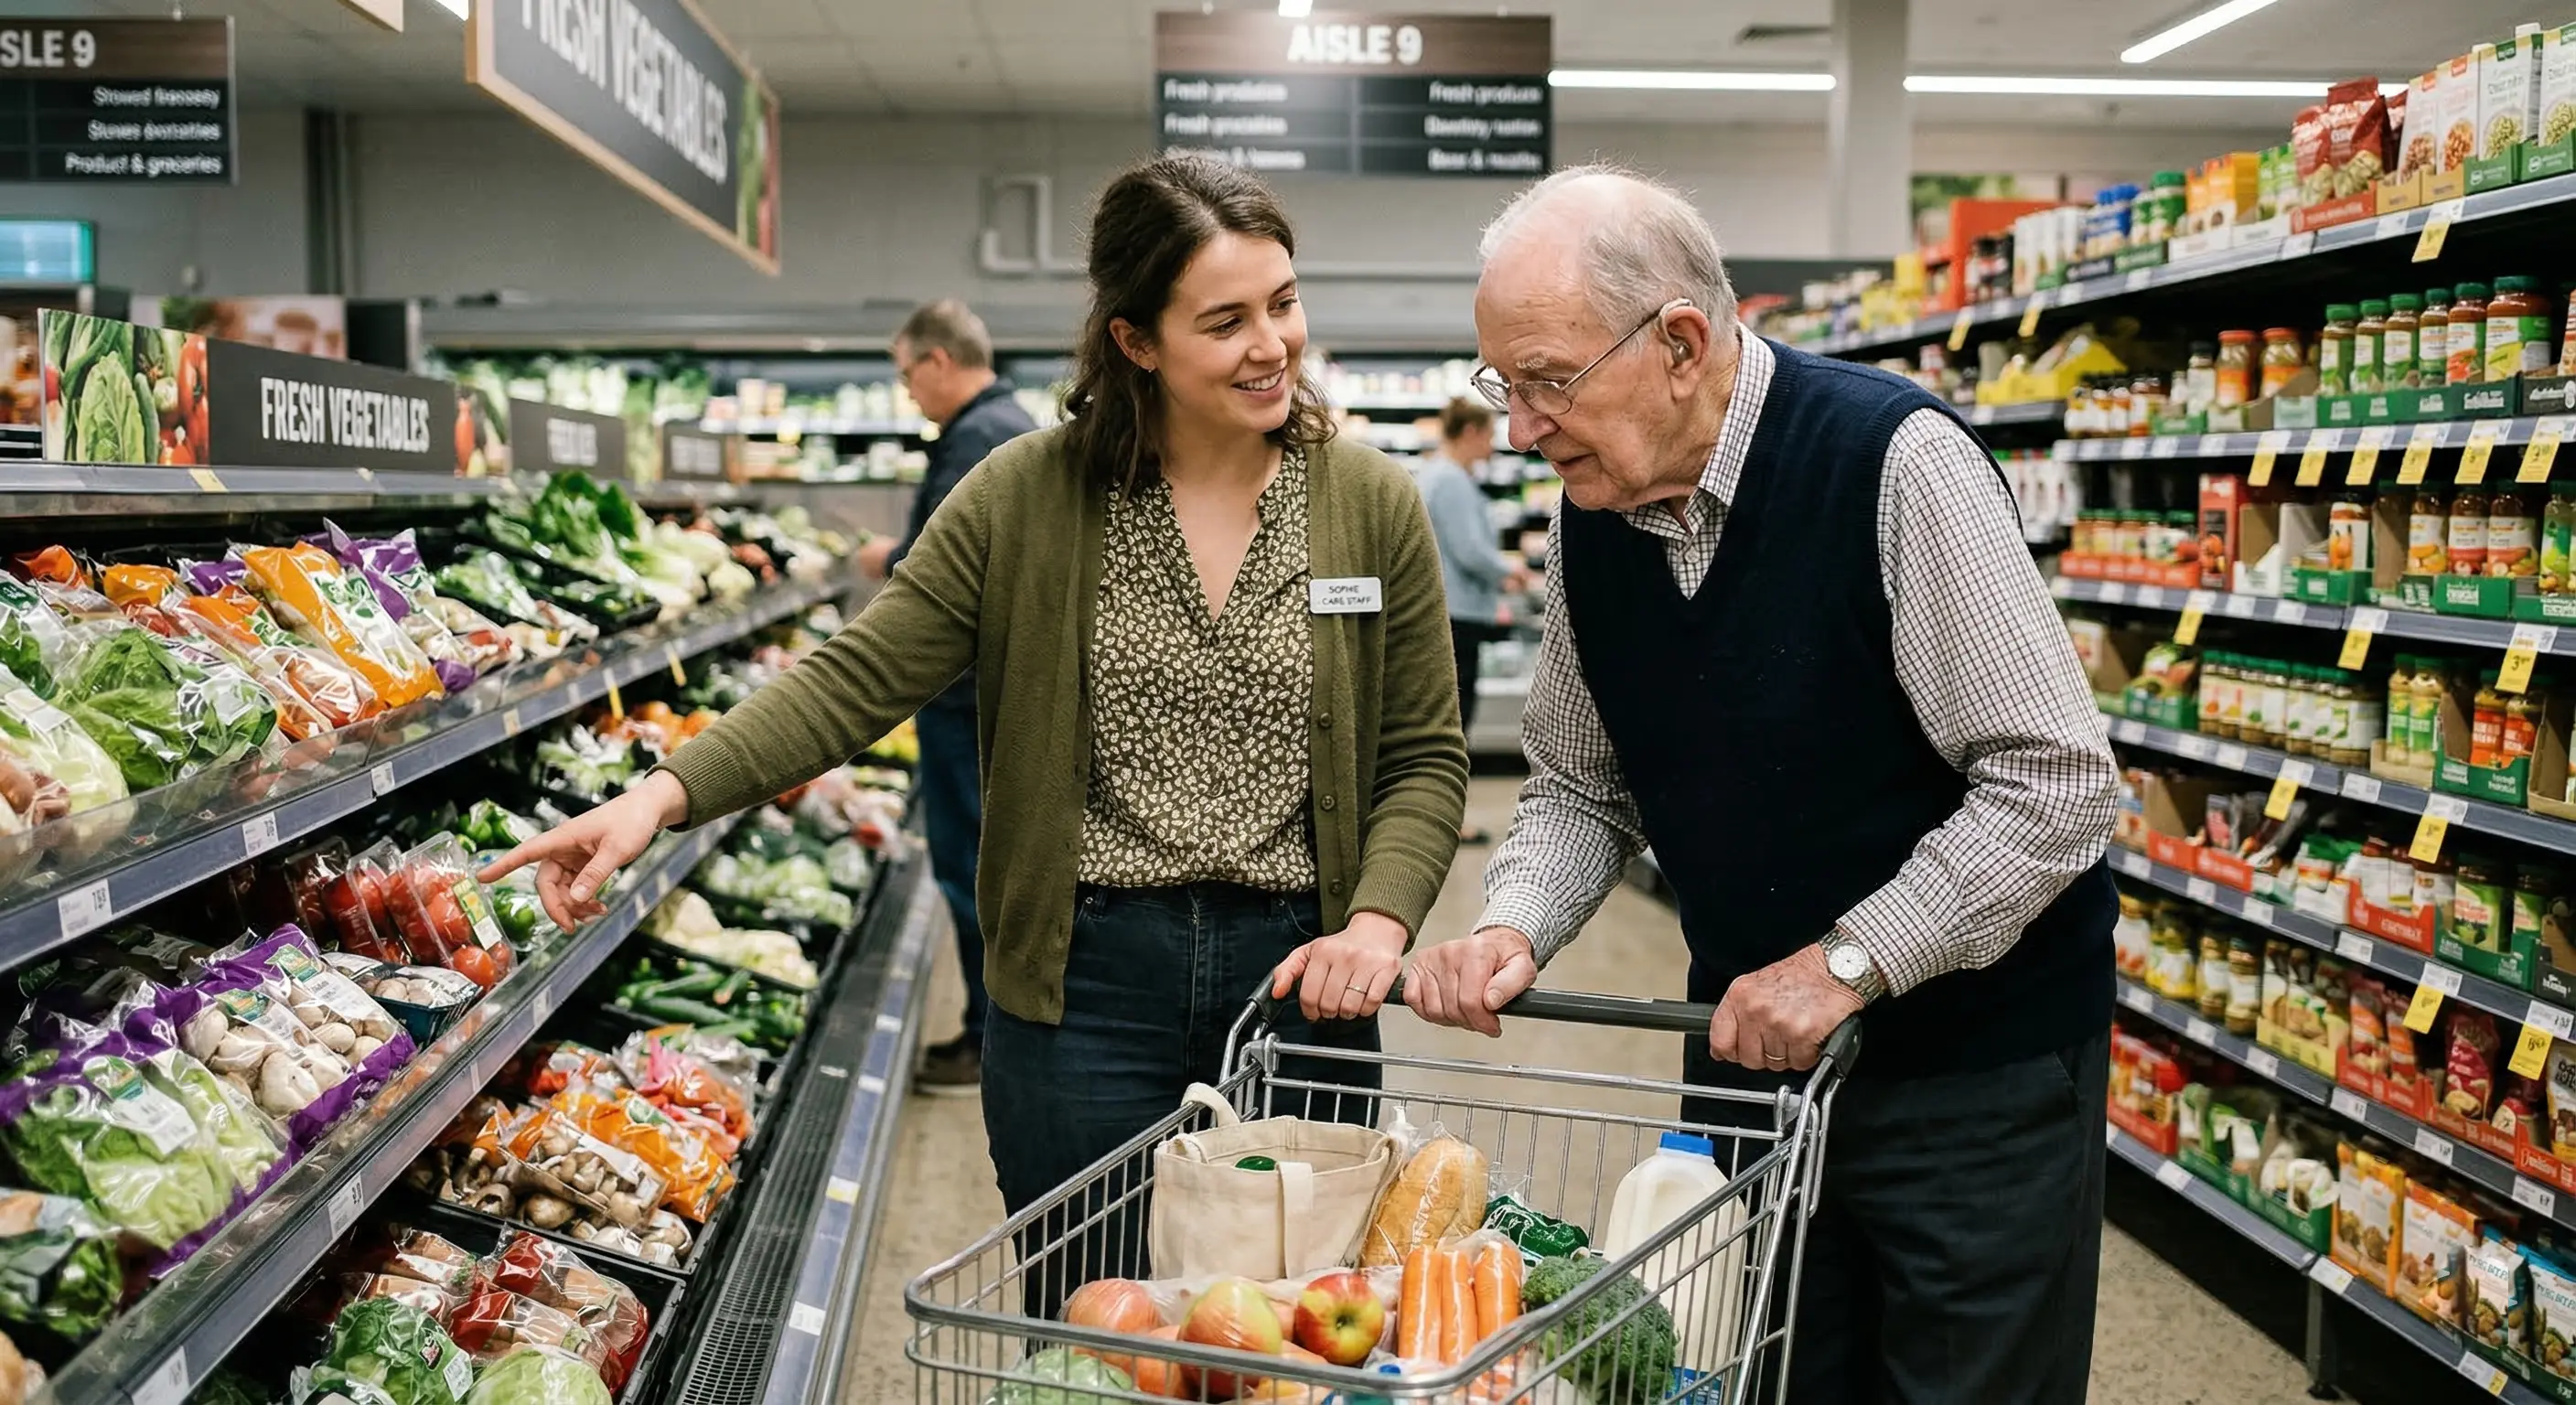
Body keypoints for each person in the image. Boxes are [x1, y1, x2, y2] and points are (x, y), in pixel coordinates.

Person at [481, 154, 1466, 1315]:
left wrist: (1378, 915)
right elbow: (857, 675)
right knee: (1095, 1333)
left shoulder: (1369, 502)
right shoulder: (1025, 496)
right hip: (1083, 989)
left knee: (1303, 1337)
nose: (1273, 344)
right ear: (1133, 341)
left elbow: (1420, 754)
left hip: (1302, 987)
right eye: (1226, 320)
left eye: (1284, 302)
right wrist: (660, 793)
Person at [1402, 165, 2119, 1402]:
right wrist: (1513, 926)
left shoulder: (1892, 463)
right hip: (1758, 1081)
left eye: (1548, 383)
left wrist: (1845, 961)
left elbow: (2054, 785)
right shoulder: (1594, 514)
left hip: (1971, 1085)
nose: (1519, 427)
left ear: (1681, 342)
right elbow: (1580, 784)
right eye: (1501, 387)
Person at [855, 298, 1037, 1093]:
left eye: (907, 375)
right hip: (991, 696)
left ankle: (987, 1040)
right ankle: (994, 1034)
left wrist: (887, 557)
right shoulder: (1014, 424)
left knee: (971, 872)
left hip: (968, 703)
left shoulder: (974, 438)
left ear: (938, 360)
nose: (909, 394)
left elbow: (942, 577)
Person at [1413, 398, 1525, 844]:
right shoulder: (1453, 481)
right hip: (1458, 613)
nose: (1494, 444)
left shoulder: (1435, 474)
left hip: (1444, 610)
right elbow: (1470, 551)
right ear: (1472, 433)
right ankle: (1450, 819)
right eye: (1490, 434)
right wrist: (1510, 569)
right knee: (1457, 721)